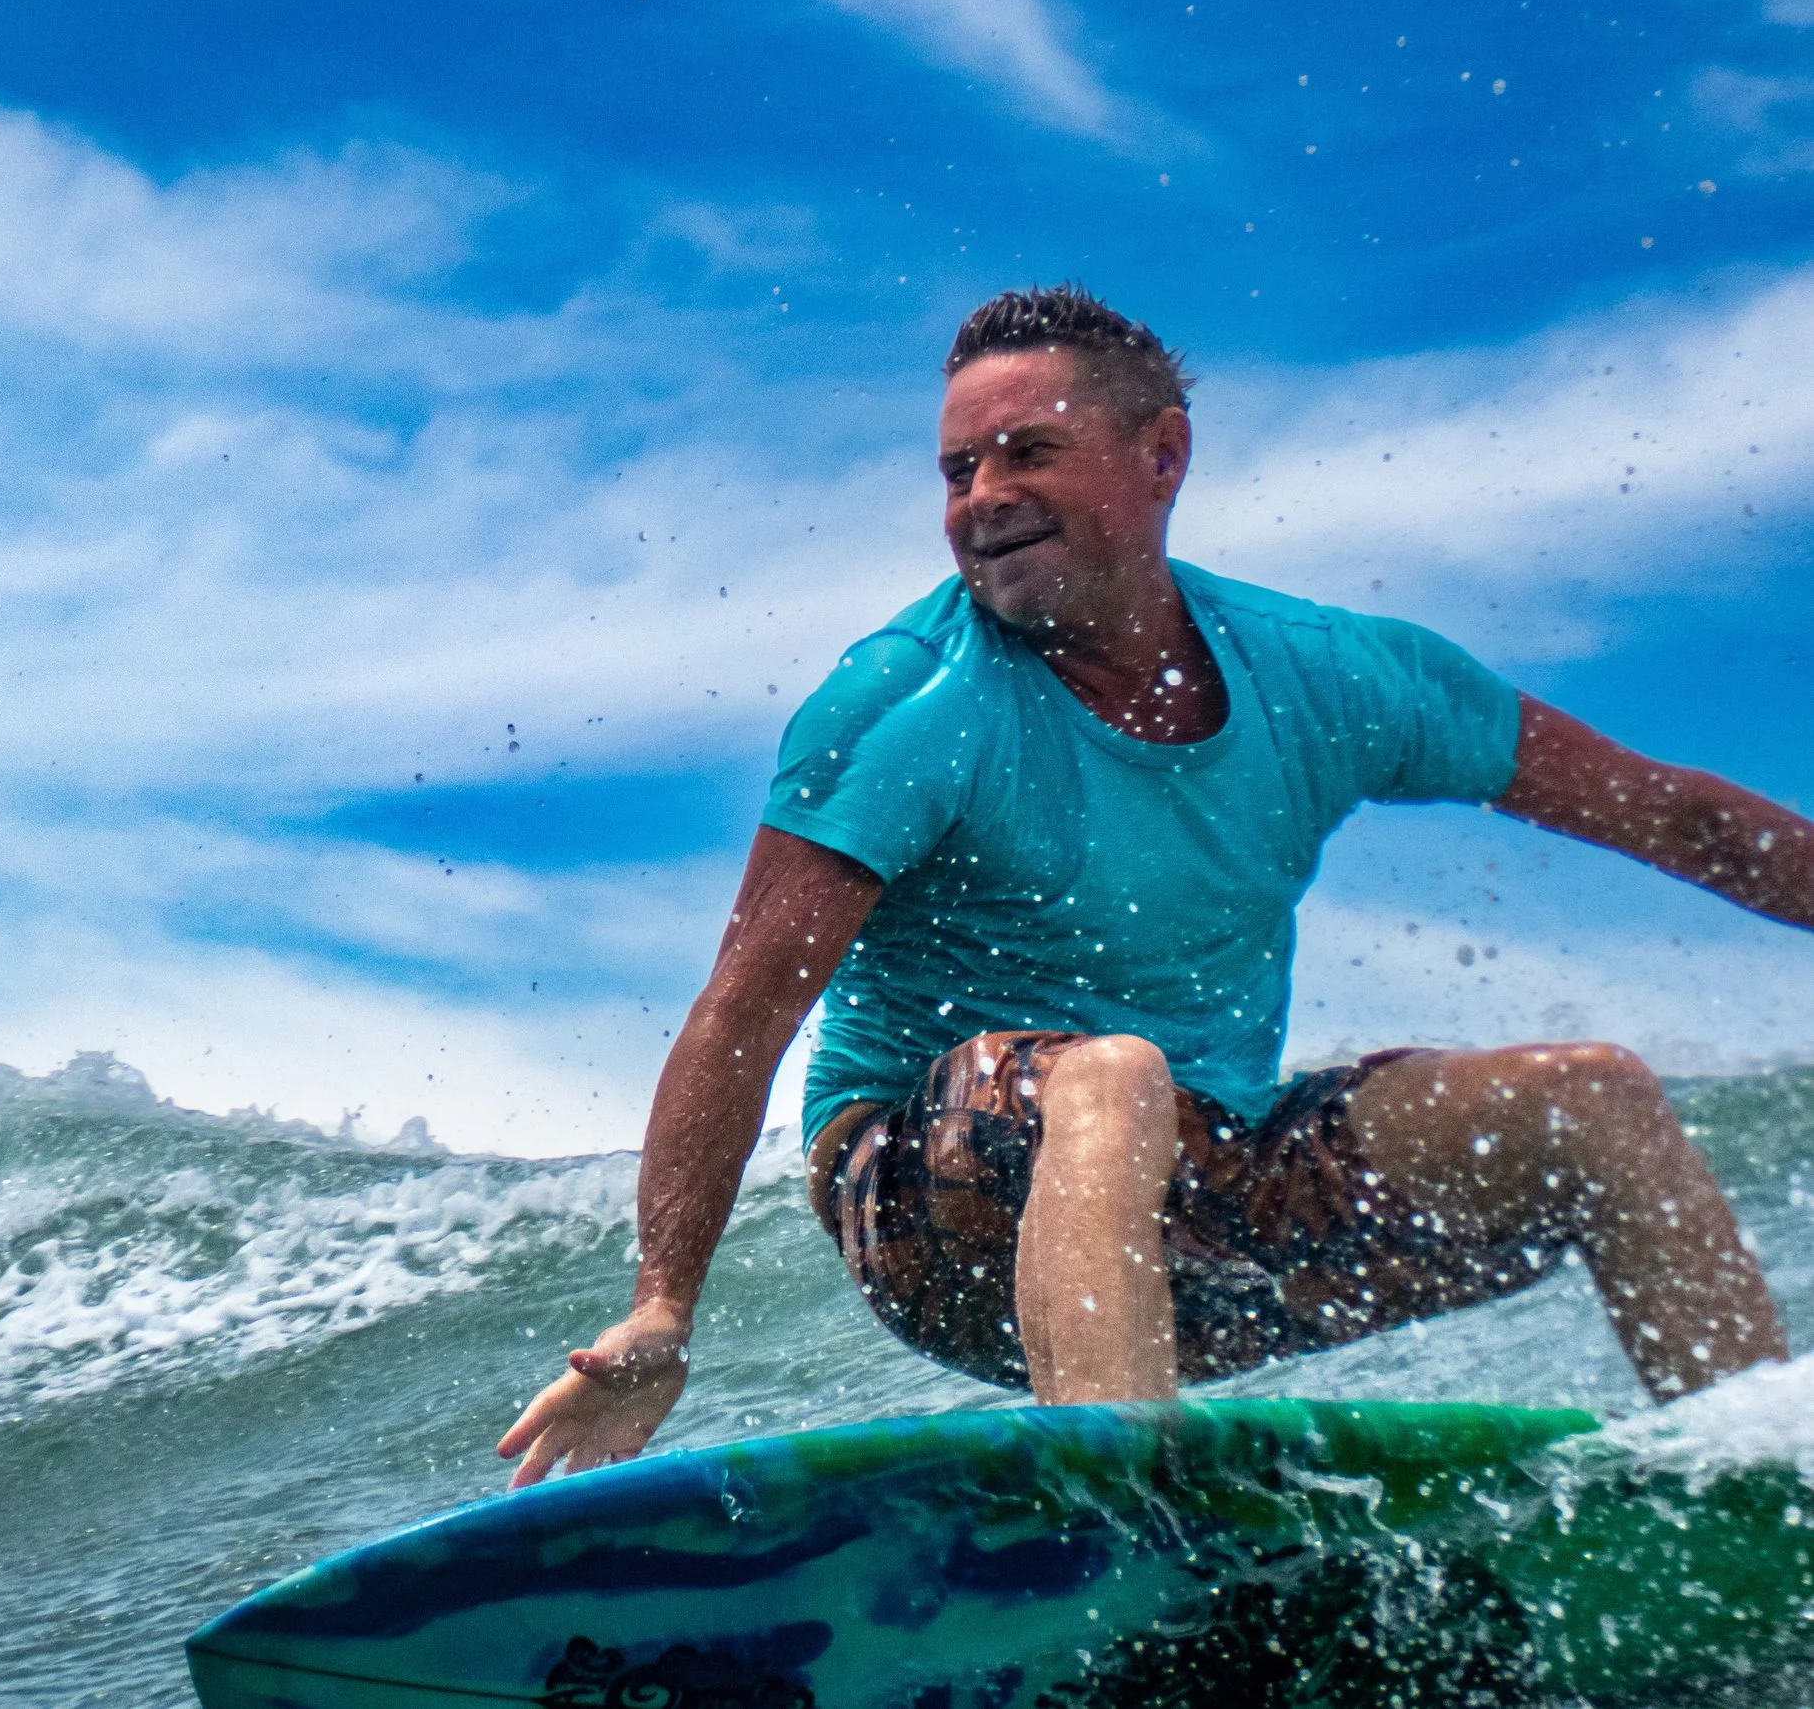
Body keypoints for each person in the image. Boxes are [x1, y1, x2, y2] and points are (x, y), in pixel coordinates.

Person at [498, 284, 1806, 1488]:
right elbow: (740, 1012)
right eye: (958, 468)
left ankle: (1757, 1504)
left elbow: (1670, 809)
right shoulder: (908, 703)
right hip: (928, 1205)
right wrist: (666, 1300)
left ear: (1160, 456)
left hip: (1199, 1204)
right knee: (1111, 1077)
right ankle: (1132, 1536)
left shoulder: (1330, 676)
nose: (984, 495)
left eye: (1026, 452)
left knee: (1597, 1097)